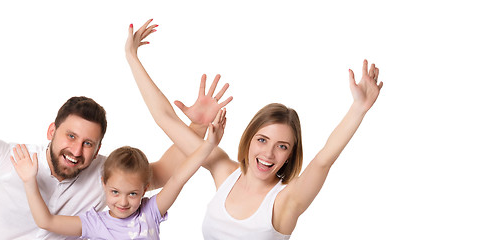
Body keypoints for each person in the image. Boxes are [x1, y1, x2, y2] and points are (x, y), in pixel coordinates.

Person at [125, 19, 383, 239]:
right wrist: (132, 56)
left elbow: (323, 161)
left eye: (282, 146)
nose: (269, 154)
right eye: (262, 140)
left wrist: (358, 109)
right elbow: (165, 119)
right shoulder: (224, 171)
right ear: (249, 140)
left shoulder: (285, 200)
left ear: (291, 155)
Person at [0, 58, 231, 239]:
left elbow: (166, 174)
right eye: (70, 136)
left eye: (88, 143)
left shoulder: (108, 176)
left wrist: (198, 128)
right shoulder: (14, 158)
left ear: (99, 148)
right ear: (52, 131)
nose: (76, 150)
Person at [10, 109, 226, 239]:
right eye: (115, 192)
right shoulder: (94, 223)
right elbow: (46, 221)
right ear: (103, 184)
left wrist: (208, 146)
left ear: (145, 188)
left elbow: (179, 177)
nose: (122, 202)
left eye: (132, 194)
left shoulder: (150, 212)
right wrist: (30, 181)